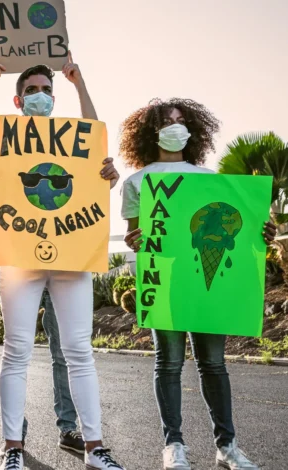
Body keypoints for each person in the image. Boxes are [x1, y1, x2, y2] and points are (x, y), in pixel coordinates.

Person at [0, 53, 125, 470]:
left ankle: (96, 448)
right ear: (18, 101)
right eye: (31, 91)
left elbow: (94, 135)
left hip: (71, 253)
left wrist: (79, 84)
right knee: (16, 351)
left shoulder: (76, 138)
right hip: (20, 256)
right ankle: (11, 448)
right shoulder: (3, 142)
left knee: (79, 350)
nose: (40, 96)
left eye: (46, 90)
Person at [120, 98, 275, 470]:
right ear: (150, 133)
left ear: (193, 131)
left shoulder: (210, 180)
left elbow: (242, 227)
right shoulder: (137, 183)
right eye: (167, 121)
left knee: (214, 364)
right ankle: (173, 446)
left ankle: (227, 447)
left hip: (211, 287)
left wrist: (263, 232)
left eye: (181, 121)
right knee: (168, 364)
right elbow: (134, 237)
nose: (176, 127)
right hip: (167, 282)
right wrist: (134, 241)